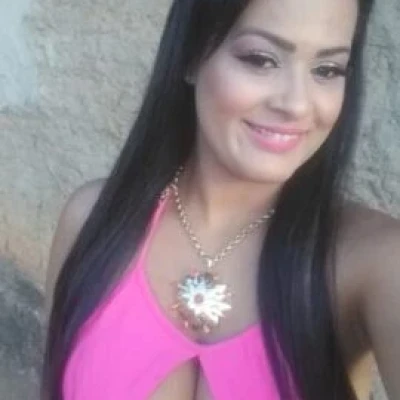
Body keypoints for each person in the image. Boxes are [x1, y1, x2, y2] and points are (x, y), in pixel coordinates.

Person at [42, 0, 400, 398]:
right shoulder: (91, 221)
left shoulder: (373, 261)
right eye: (261, 59)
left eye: (327, 69)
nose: (297, 104)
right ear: (192, 55)